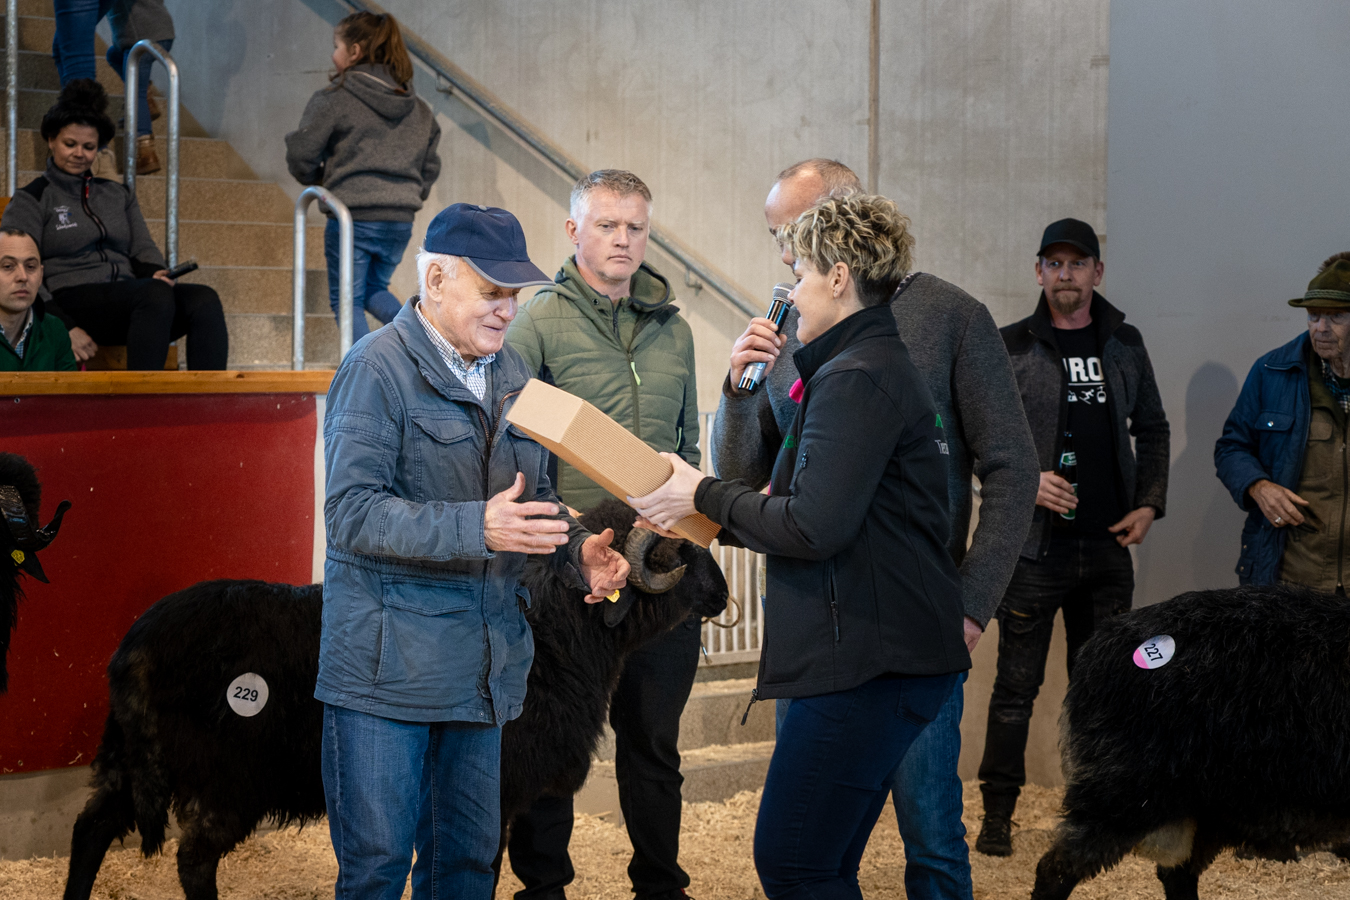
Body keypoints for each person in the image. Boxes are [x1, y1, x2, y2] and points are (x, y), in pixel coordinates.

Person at [712, 159, 1037, 899]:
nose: (784, 259)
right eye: (776, 239)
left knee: (930, 833)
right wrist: (737, 390)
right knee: (819, 844)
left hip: (908, 623)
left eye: (795, 237)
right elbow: (748, 473)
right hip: (816, 625)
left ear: (845, 230)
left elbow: (1014, 468)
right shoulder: (796, 324)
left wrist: (972, 604)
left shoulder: (948, 316)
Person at [631, 192, 970, 900]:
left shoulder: (858, 377)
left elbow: (814, 527)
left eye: (801, 273)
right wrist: (693, 509)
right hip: (878, 657)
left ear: (839, 276)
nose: (790, 293)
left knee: (793, 863)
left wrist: (701, 493)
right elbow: (795, 505)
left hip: (866, 663)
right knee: (823, 864)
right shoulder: (857, 367)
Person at [318, 202, 630, 900]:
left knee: (466, 864)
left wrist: (578, 552)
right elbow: (350, 514)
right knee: (376, 870)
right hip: (386, 674)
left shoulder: (514, 370)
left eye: (513, 294)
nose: (507, 310)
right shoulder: (374, 370)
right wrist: (476, 528)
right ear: (435, 280)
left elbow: (536, 499)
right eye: (491, 292)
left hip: (482, 671)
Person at [504, 169, 702, 900]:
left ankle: (660, 885)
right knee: (549, 741)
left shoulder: (675, 329)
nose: (623, 239)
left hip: (659, 569)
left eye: (635, 228)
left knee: (654, 742)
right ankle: (544, 888)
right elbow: (514, 445)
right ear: (573, 231)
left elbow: (688, 444)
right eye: (607, 225)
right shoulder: (537, 322)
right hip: (567, 577)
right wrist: (567, 542)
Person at [975, 217, 1170, 855]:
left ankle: (1098, 817)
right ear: (1039, 272)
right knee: (1015, 691)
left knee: (1106, 691)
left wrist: (1149, 503)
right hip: (1035, 551)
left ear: (1096, 272)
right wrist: (1024, 481)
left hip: (1109, 549)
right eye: (1054, 264)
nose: (1066, 275)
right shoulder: (1010, 346)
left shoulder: (1124, 342)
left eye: (1077, 263)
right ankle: (997, 818)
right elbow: (979, 438)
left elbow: (1154, 428)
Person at [1, 80, 228, 370]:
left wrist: (154, 271)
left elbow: (143, 247)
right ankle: (142, 395)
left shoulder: (117, 194)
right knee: (153, 295)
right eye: (70, 144)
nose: (79, 153)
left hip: (130, 300)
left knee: (204, 299)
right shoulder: (32, 198)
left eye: (89, 147)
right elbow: (20, 269)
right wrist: (63, 325)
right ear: (51, 141)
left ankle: (208, 397)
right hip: (70, 301)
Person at [285, 11, 441, 345]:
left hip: (352, 215)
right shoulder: (419, 108)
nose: (333, 55)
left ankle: (368, 370)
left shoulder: (335, 98)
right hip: (400, 220)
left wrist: (323, 181)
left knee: (346, 301)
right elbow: (430, 166)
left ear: (354, 52)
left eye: (336, 47)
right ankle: (426, 346)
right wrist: (405, 195)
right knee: (373, 288)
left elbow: (301, 155)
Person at [1215, 253, 1350, 590]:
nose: (1320, 328)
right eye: (1313, 315)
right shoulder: (1272, 371)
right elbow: (1231, 448)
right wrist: (1258, 486)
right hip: (1291, 579)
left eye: (1336, 317)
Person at [105, 0, 175, 175]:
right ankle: (147, 99)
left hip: (141, 36)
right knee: (113, 55)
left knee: (136, 93)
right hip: (161, 32)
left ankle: (146, 153)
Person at [0, 228, 75, 371]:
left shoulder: (55, 329)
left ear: (40, 275)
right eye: (8, 266)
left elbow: (69, 385)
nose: (23, 276)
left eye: (30, 267)